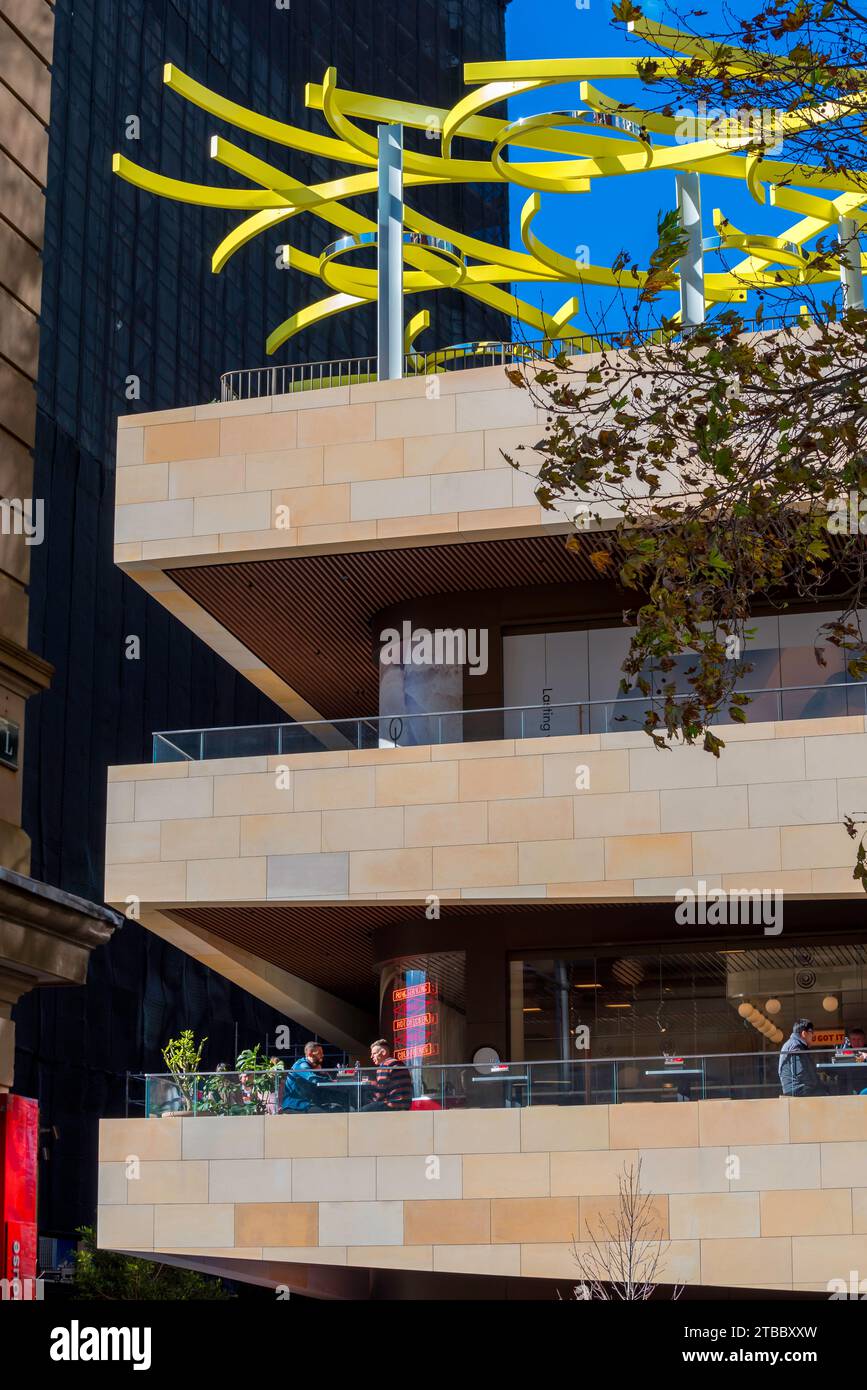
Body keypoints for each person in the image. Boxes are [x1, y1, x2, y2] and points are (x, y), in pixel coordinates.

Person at [360, 1039, 413, 1112]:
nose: (371, 1056)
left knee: (359, 1111)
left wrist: (370, 1085)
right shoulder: (399, 1064)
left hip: (392, 1104)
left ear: (383, 1052)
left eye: (374, 1053)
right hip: (405, 1105)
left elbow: (380, 1092)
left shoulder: (385, 1066)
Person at [280, 1041, 333, 1113]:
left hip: (306, 1104)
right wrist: (332, 1082)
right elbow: (313, 1079)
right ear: (310, 1054)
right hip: (295, 1105)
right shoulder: (302, 1065)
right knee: (325, 1115)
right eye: (319, 1053)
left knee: (336, 1109)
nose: (322, 1055)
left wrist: (322, 1073)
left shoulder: (312, 1066)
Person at [778, 1019, 823, 1097]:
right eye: (811, 1032)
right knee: (825, 1092)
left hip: (797, 1087)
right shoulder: (796, 1046)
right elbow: (799, 1073)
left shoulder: (796, 1044)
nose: (813, 1035)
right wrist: (815, 1084)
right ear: (804, 1033)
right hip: (796, 1089)